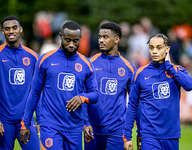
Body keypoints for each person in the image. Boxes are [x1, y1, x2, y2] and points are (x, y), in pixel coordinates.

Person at [20, 21, 98, 150]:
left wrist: (81, 98)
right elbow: (34, 93)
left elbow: (95, 95)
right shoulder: (45, 60)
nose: (71, 44)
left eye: (75, 41)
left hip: (74, 128)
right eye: (67, 40)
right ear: (60, 36)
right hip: (50, 126)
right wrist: (26, 124)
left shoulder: (86, 64)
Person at [123, 33, 192, 150]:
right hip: (149, 135)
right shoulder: (140, 74)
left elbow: (189, 85)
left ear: (167, 49)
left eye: (159, 48)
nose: (154, 51)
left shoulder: (176, 70)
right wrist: (127, 136)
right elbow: (133, 106)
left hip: (172, 135)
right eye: (151, 48)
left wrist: (169, 66)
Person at [83, 22, 136, 150]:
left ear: (117, 39)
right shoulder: (90, 63)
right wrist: (85, 123)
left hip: (117, 131)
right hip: (92, 129)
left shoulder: (128, 68)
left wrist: (130, 133)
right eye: (100, 37)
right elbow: (83, 97)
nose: (101, 40)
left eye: (105, 37)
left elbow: (135, 102)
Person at [0, 15, 40, 150]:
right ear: (2, 32)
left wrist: (40, 119)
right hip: (4, 120)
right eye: (7, 29)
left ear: (21, 30)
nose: (11, 31)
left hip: (26, 120)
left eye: (14, 28)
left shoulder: (33, 56)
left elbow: (36, 91)